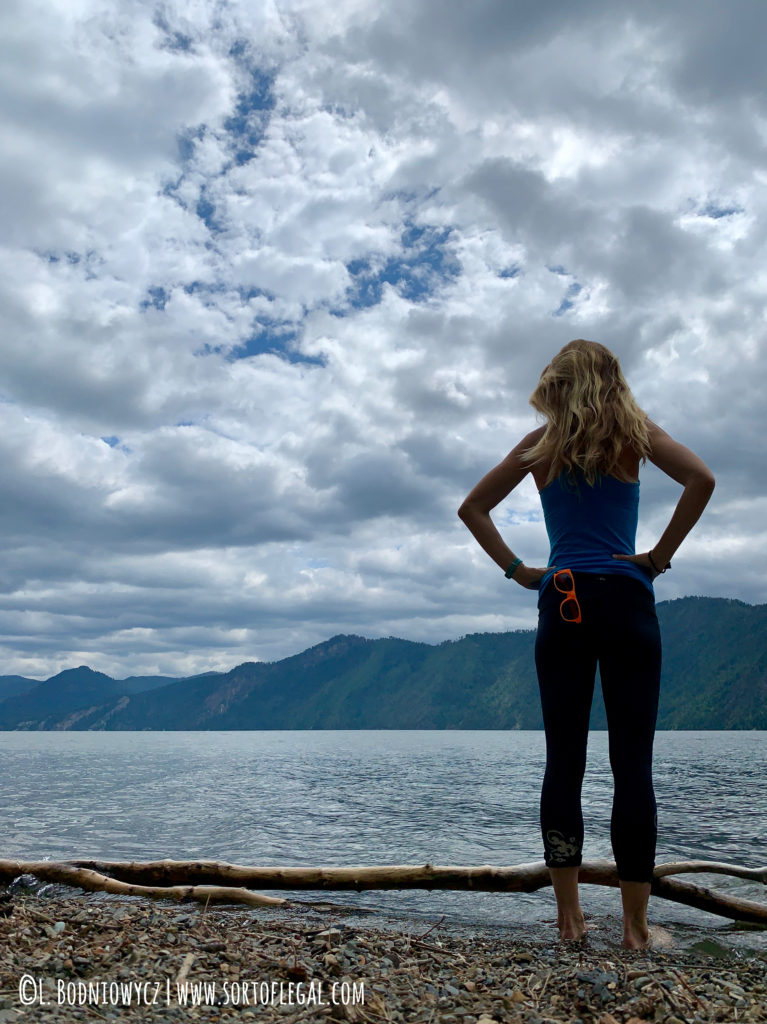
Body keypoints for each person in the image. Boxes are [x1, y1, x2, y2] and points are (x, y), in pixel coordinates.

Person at [457, 339, 715, 950]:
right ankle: (635, 928)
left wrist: (520, 571)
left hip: (563, 598)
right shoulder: (636, 432)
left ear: (557, 383)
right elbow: (701, 479)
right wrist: (657, 557)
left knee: (563, 762)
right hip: (627, 600)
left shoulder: (538, 445)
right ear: (611, 379)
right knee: (633, 767)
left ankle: (569, 920)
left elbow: (472, 508)